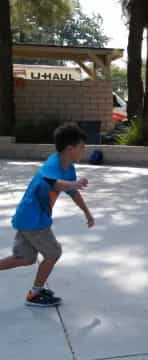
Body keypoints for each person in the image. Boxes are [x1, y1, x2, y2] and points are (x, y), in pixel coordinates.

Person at [0, 123, 95, 307]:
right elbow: (54, 183)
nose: (84, 151)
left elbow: (73, 193)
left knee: (25, 259)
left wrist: (87, 212)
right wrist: (74, 184)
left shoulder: (68, 167)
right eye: (82, 147)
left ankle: (35, 292)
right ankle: (35, 294)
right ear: (70, 148)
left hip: (28, 217)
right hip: (34, 219)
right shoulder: (53, 164)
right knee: (53, 253)